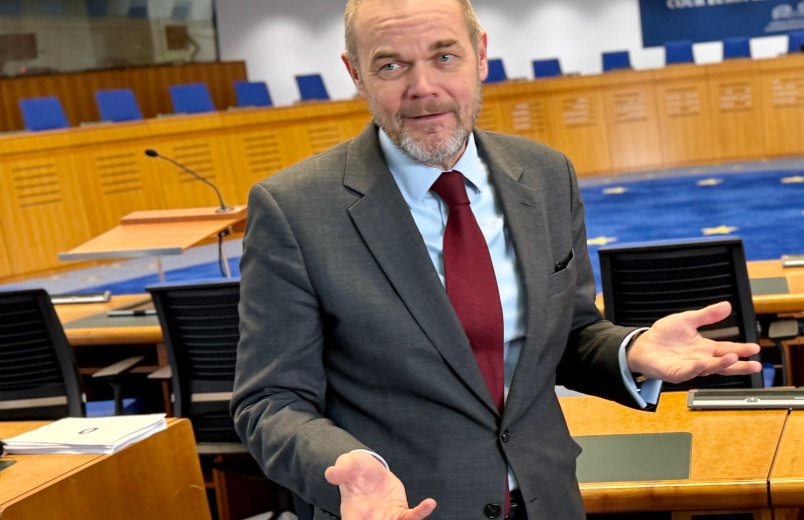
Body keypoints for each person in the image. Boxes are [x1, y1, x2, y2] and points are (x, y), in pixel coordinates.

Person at [230, 0, 762, 518]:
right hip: (403, 508)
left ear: (480, 54)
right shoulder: (294, 209)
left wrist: (631, 350)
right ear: (356, 74)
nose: (424, 87)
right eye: (391, 65)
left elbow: (570, 335)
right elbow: (270, 401)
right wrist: (343, 464)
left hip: (548, 498)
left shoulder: (546, 174)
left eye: (444, 57)